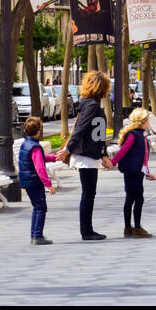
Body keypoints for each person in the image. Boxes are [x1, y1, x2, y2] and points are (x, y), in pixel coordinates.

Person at [59, 70, 112, 241]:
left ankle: (88, 230)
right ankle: (86, 231)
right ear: (102, 87)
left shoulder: (92, 105)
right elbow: (80, 129)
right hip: (85, 153)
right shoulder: (91, 106)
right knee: (88, 193)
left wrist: (103, 154)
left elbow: (98, 133)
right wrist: (68, 149)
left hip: (90, 153)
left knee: (89, 193)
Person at [109, 107, 156, 237]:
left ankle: (128, 228)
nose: (149, 121)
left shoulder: (141, 135)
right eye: (147, 119)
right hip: (132, 171)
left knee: (130, 198)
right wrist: (112, 162)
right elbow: (123, 150)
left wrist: (147, 172)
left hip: (137, 170)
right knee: (138, 198)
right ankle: (136, 228)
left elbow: (144, 157)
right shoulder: (133, 135)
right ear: (142, 121)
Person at [18, 115, 58, 246]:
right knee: (41, 208)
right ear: (39, 131)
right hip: (34, 181)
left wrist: (54, 158)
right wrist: (49, 185)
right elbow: (40, 167)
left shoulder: (27, 144)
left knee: (36, 207)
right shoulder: (35, 147)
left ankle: (34, 234)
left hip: (27, 180)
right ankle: (37, 236)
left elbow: (39, 158)